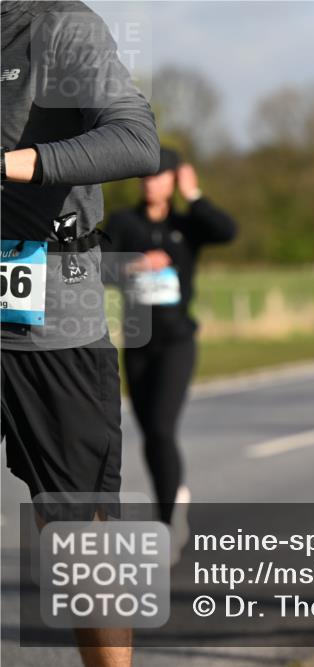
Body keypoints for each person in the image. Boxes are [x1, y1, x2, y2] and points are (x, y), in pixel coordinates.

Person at [1, 2, 160, 664]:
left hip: (48, 319)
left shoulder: (61, 24)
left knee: (78, 540)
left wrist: (11, 164)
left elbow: (135, 140)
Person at [104, 149, 237, 558]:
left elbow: (226, 231)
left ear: (173, 179)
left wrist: (194, 194)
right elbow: (98, 266)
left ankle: (167, 522)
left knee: (162, 427)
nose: (150, 183)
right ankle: (173, 493)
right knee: (150, 434)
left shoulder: (187, 224)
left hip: (178, 341)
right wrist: (134, 266)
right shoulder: (125, 224)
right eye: (144, 176)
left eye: (159, 176)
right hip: (139, 340)